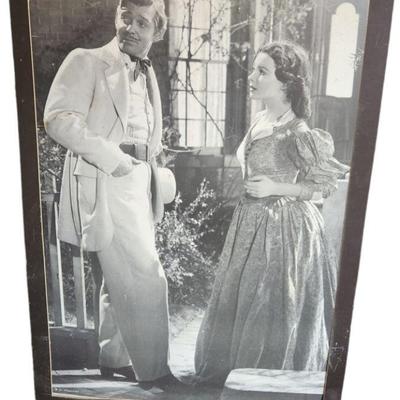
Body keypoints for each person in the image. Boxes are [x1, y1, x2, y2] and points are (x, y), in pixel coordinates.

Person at [44, 0, 181, 390]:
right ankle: (155, 371)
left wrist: (150, 171)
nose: (131, 28)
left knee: (119, 270)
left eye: (142, 23)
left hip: (140, 177)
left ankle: (114, 358)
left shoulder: (147, 71)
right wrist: (114, 160)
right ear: (116, 17)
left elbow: (144, 128)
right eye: (126, 18)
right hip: (109, 176)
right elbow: (58, 119)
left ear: (157, 31)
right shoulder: (86, 60)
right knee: (146, 273)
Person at [194, 41, 349, 385]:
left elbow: (320, 189)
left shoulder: (299, 132)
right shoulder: (261, 118)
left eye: (262, 71)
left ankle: (265, 377)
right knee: (244, 295)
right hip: (250, 221)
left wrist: (275, 187)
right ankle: (237, 371)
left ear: (286, 83)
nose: (251, 77)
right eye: (254, 69)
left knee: (269, 302)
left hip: (284, 229)